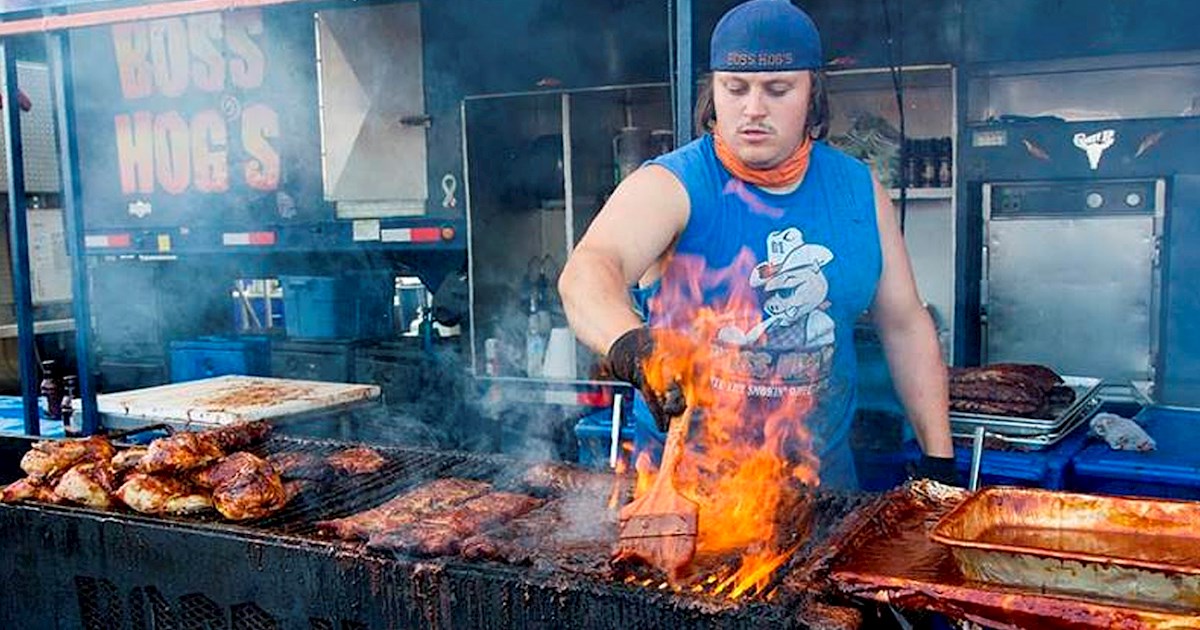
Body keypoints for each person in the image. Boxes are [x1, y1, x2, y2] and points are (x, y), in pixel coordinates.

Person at [559, 0, 956, 490]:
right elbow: (588, 272)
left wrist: (940, 464)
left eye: (777, 89)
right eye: (735, 87)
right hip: (691, 505)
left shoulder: (857, 188)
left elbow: (905, 325)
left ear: (813, 93)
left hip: (821, 496)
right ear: (715, 92)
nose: (752, 109)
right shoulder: (671, 185)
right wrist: (636, 348)